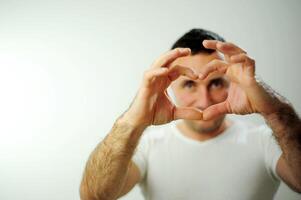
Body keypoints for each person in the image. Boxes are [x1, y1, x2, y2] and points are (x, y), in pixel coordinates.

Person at [79, 29, 301, 200]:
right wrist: (132, 121)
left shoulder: (264, 140)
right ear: (170, 88)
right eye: (189, 85)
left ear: (232, 83)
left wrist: (274, 111)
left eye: (215, 83)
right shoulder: (147, 145)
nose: (204, 101)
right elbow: (95, 196)